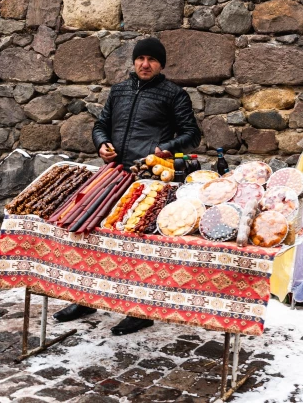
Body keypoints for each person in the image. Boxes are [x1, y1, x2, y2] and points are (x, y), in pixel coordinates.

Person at [53, 37, 202, 335]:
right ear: (134, 61)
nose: (145, 64)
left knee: (136, 244)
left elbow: (192, 135)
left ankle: (139, 310)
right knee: (91, 233)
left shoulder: (173, 94)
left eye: (152, 60)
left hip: (147, 179)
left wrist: (166, 147)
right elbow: (100, 126)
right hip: (113, 173)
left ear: (161, 64)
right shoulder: (119, 91)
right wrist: (101, 144)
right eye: (140, 58)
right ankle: (85, 298)